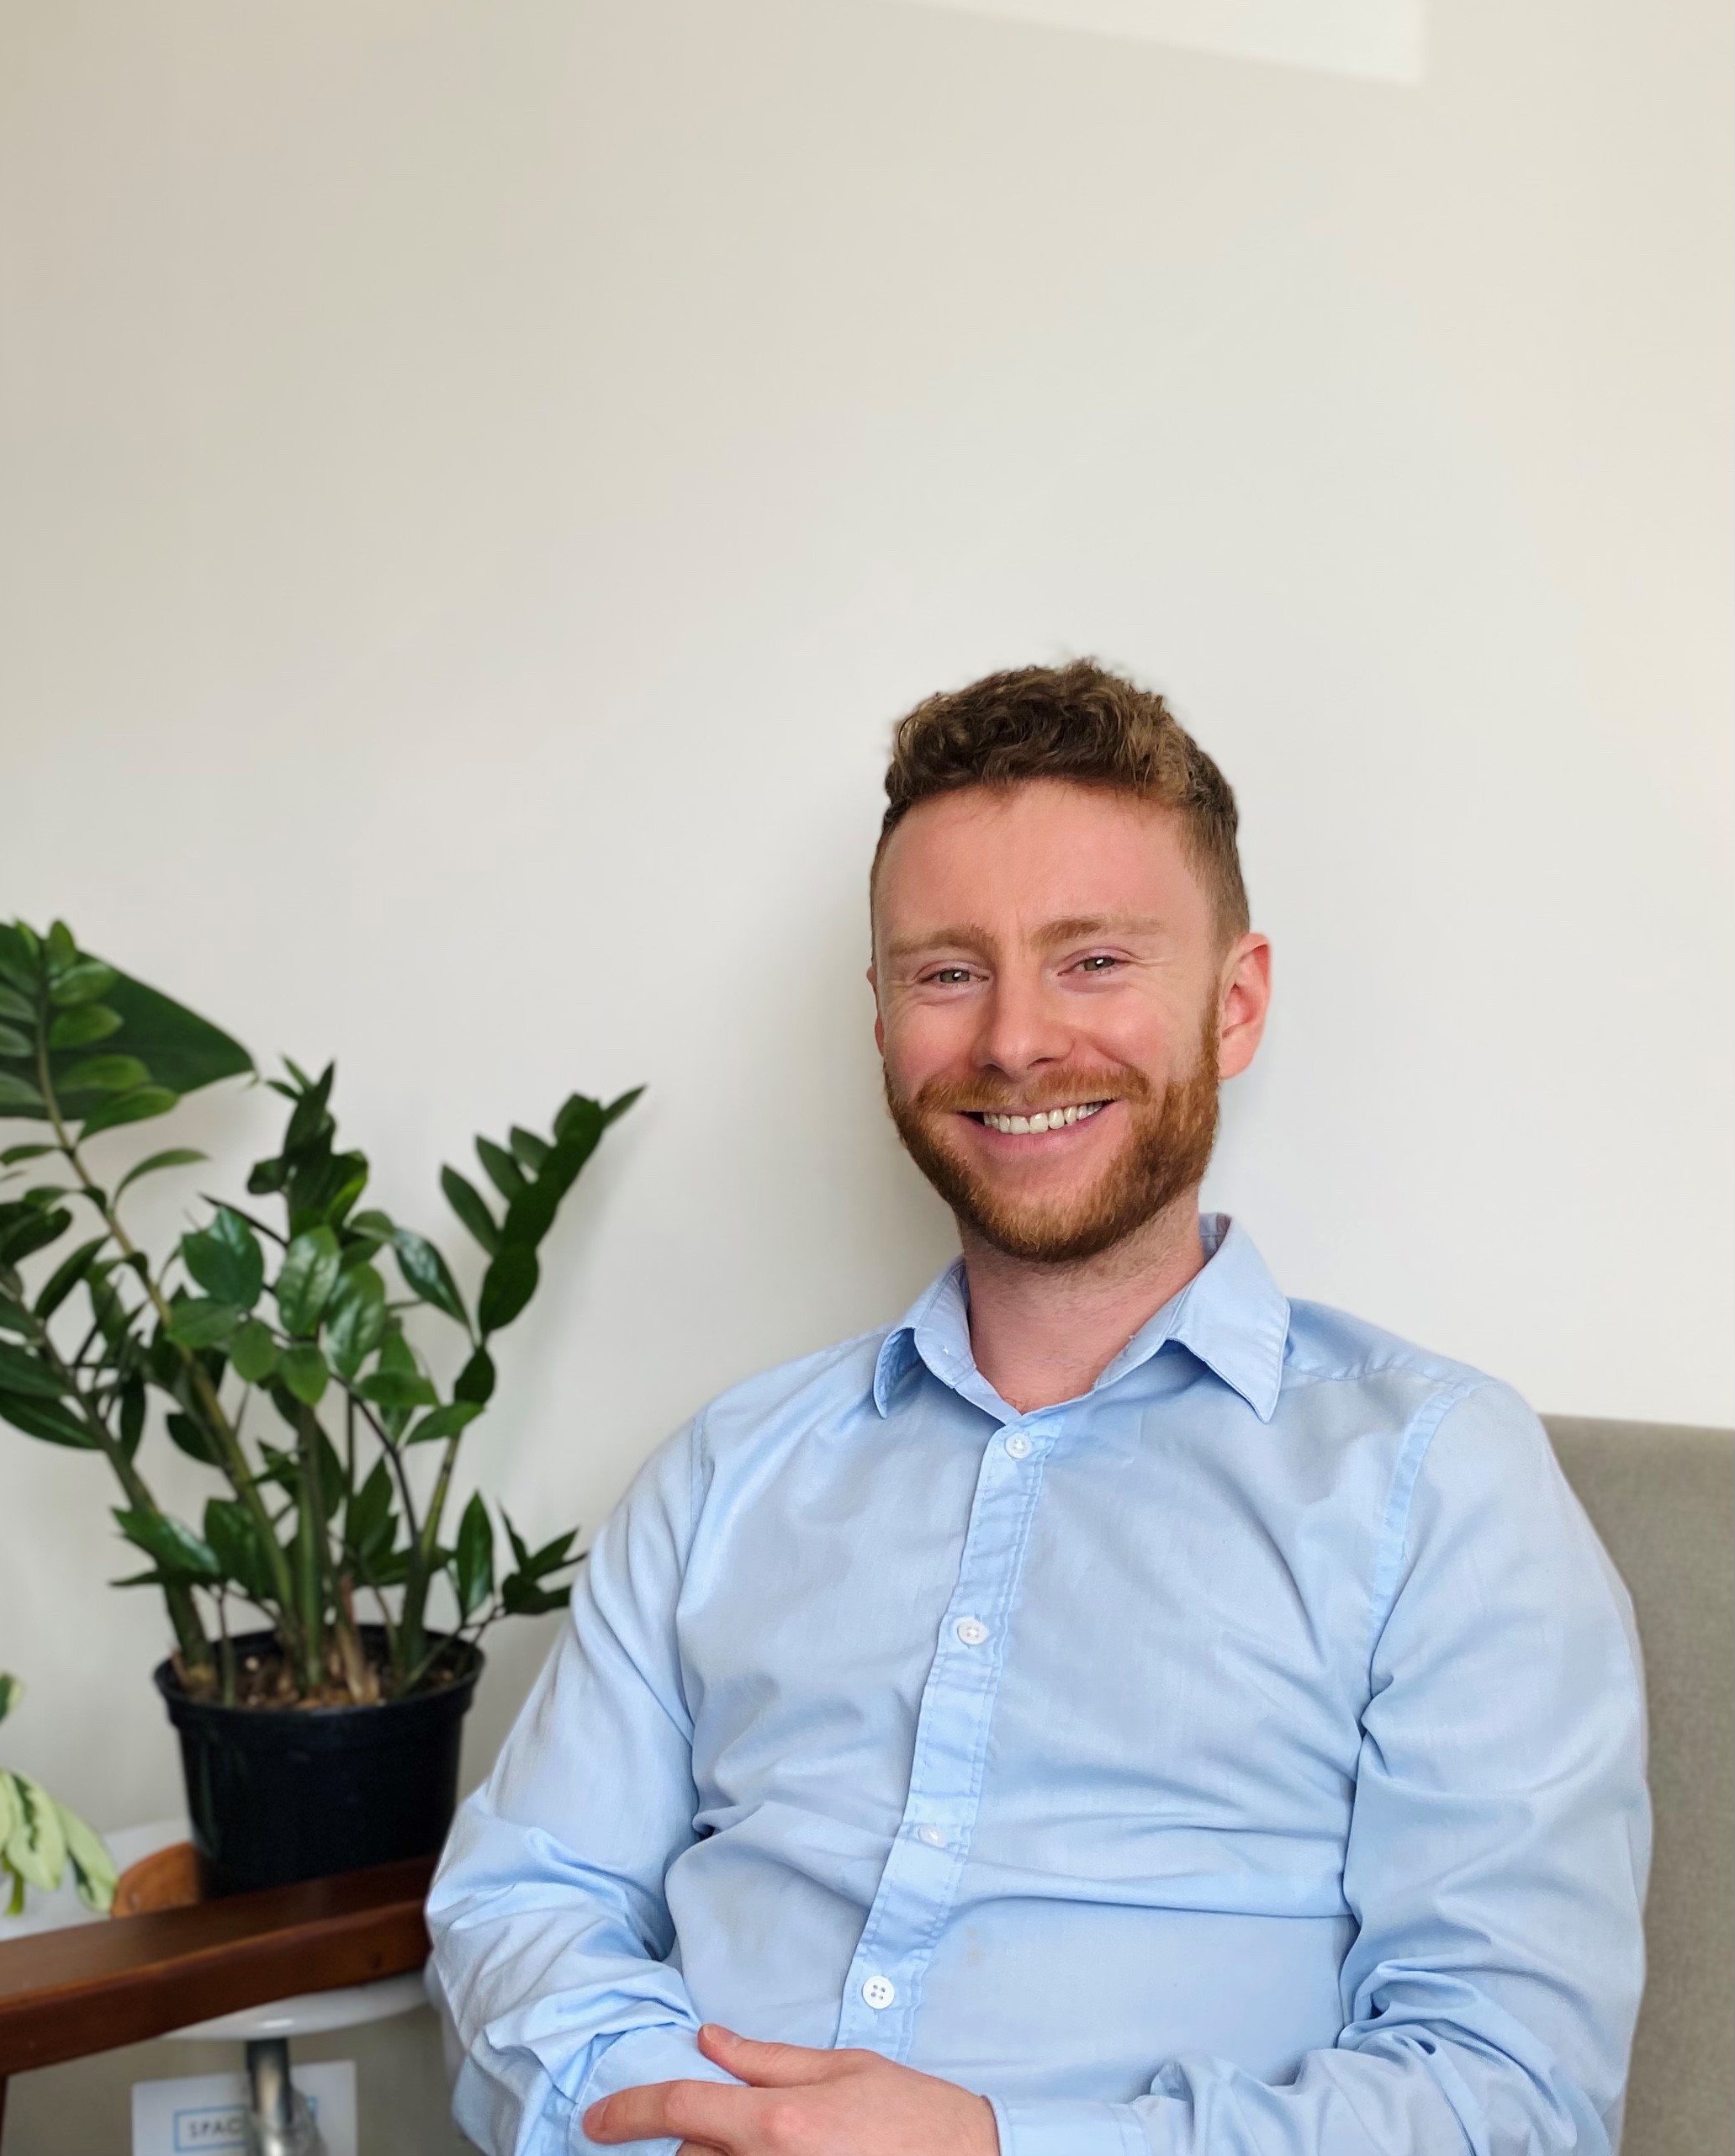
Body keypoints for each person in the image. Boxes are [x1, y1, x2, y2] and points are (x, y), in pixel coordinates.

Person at [428, 660, 1648, 2156]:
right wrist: (683, 2127)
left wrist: (998, 2148)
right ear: (882, 1017)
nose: (1012, 1041)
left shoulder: (1436, 1481)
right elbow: (519, 1904)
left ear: (1234, 1005)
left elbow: (1507, 2091)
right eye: (947, 973)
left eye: (1093, 961)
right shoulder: (727, 1471)